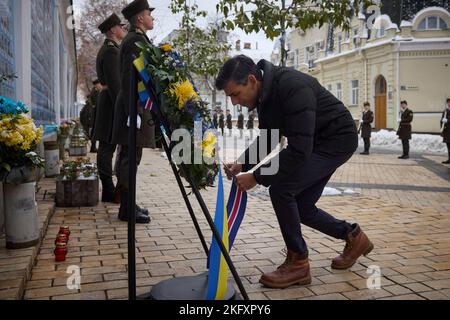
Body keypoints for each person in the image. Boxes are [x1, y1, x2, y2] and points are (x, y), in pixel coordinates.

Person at [217, 55, 373, 289]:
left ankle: (298, 263)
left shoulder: (291, 86)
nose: (234, 103)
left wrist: (257, 177)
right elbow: (269, 137)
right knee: (301, 206)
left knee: (282, 190)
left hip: (336, 140)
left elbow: (299, 151)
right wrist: (243, 164)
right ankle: (353, 237)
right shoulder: (265, 94)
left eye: (235, 94)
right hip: (315, 142)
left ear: (251, 80)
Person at [112, 0, 157, 224]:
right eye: (149, 14)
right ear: (140, 18)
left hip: (133, 104)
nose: (152, 18)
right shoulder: (134, 41)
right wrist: (135, 111)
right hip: (133, 105)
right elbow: (131, 77)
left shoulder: (135, 39)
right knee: (130, 158)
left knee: (132, 157)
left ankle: (129, 204)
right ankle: (127, 209)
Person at [93, 13, 127, 203]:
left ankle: (108, 189)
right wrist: (122, 110)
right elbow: (116, 85)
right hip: (111, 105)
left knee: (106, 148)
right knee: (106, 149)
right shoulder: (111, 51)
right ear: (113, 30)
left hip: (108, 103)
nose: (123, 29)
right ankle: (108, 189)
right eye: (120, 26)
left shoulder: (109, 49)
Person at [89, 79, 102, 153]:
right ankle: (93, 147)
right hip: (95, 114)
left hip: (95, 114)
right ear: (97, 84)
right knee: (94, 131)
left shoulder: (94, 91)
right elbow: (96, 104)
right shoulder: (95, 92)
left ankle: (93, 147)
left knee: (94, 131)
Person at [441, 98, 450, 164]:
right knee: (448, 146)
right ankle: (449, 159)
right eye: (448, 102)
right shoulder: (445, 111)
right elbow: (441, 121)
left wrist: (448, 121)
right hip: (447, 131)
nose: (449, 104)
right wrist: (441, 128)